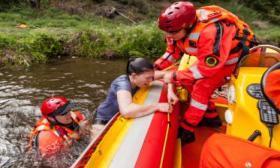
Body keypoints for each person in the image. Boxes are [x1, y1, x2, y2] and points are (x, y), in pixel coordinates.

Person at [154, 1, 258, 143]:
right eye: (167, 33)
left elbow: (206, 69)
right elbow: (172, 52)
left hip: (231, 58)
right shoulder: (175, 30)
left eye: (172, 33)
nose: (169, 36)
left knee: (202, 88)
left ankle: (188, 128)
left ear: (188, 26)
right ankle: (211, 118)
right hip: (212, 58)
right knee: (189, 82)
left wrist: (173, 75)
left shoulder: (210, 32)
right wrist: (156, 67)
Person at [94, 57, 171, 125]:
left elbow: (168, 74)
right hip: (103, 120)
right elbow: (126, 111)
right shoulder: (122, 83)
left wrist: (170, 91)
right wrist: (157, 106)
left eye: (152, 77)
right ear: (134, 76)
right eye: (148, 78)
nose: (151, 81)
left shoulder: (141, 77)